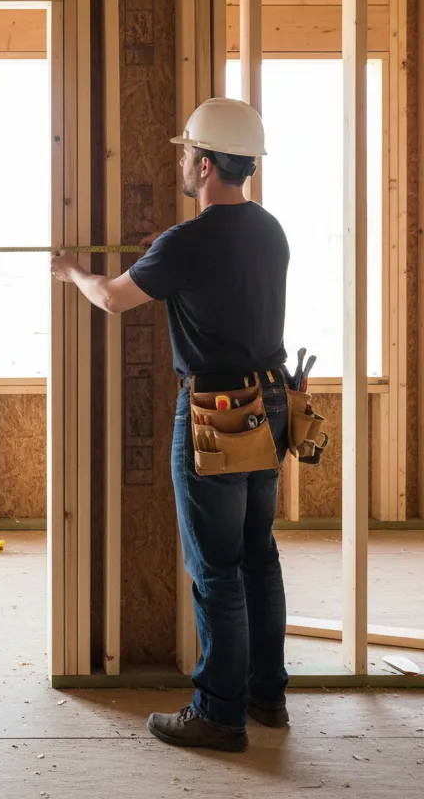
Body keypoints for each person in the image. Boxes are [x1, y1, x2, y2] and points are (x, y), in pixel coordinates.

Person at [50, 97, 291, 753]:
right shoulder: (268, 231)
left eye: (187, 154)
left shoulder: (189, 242)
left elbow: (111, 298)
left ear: (207, 165)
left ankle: (218, 712)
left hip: (218, 407)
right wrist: (167, 254)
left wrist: (70, 269)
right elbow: (221, 281)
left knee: (215, 566)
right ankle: (267, 695)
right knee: (257, 557)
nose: (181, 163)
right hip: (269, 400)